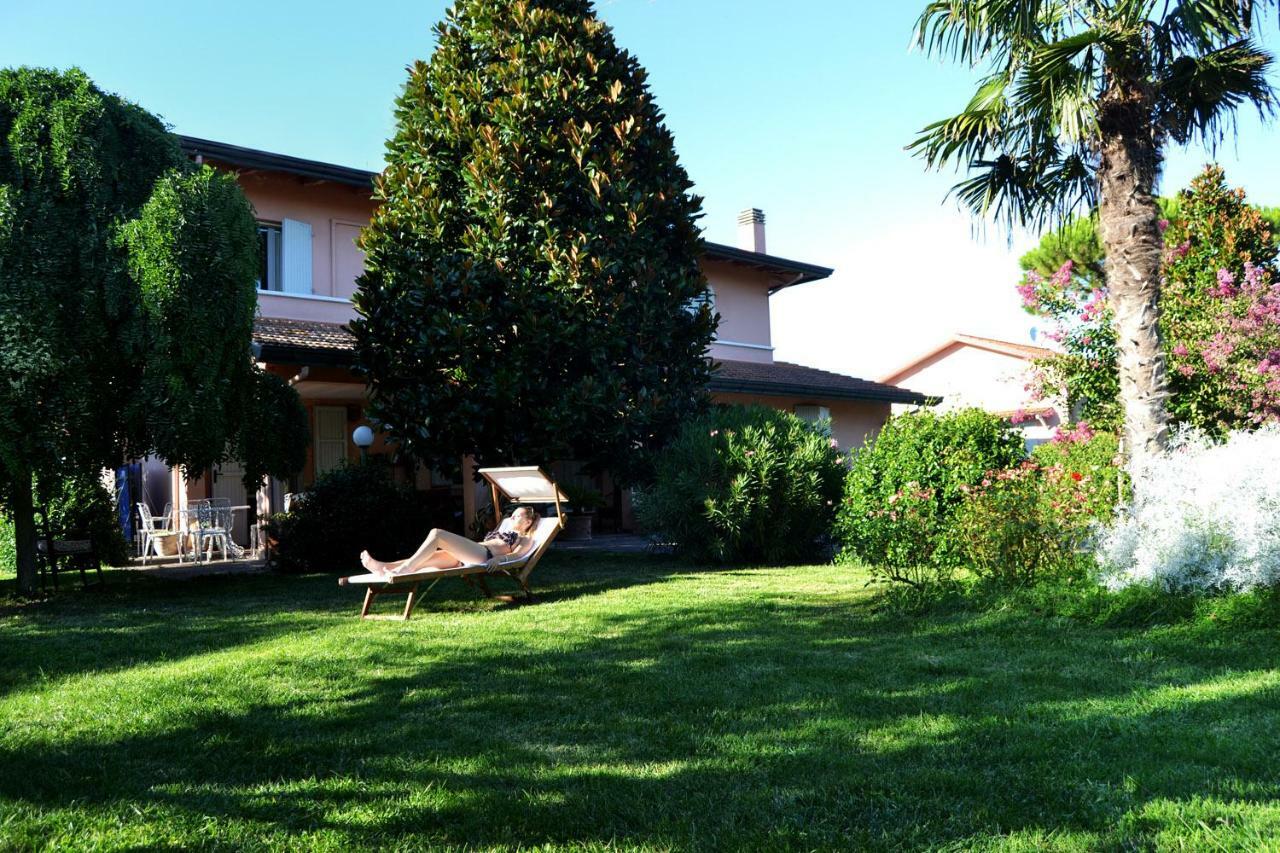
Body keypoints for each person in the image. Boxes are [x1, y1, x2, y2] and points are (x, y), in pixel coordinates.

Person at [360, 506, 540, 576]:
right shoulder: (504, 529)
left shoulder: (525, 539)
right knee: (424, 559)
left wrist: (498, 560)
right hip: (469, 553)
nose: (512, 518)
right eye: (513, 514)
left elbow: (518, 556)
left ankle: (405, 569)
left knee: (437, 533)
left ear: (528, 522)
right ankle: (383, 567)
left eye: (517, 516)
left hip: (484, 555)